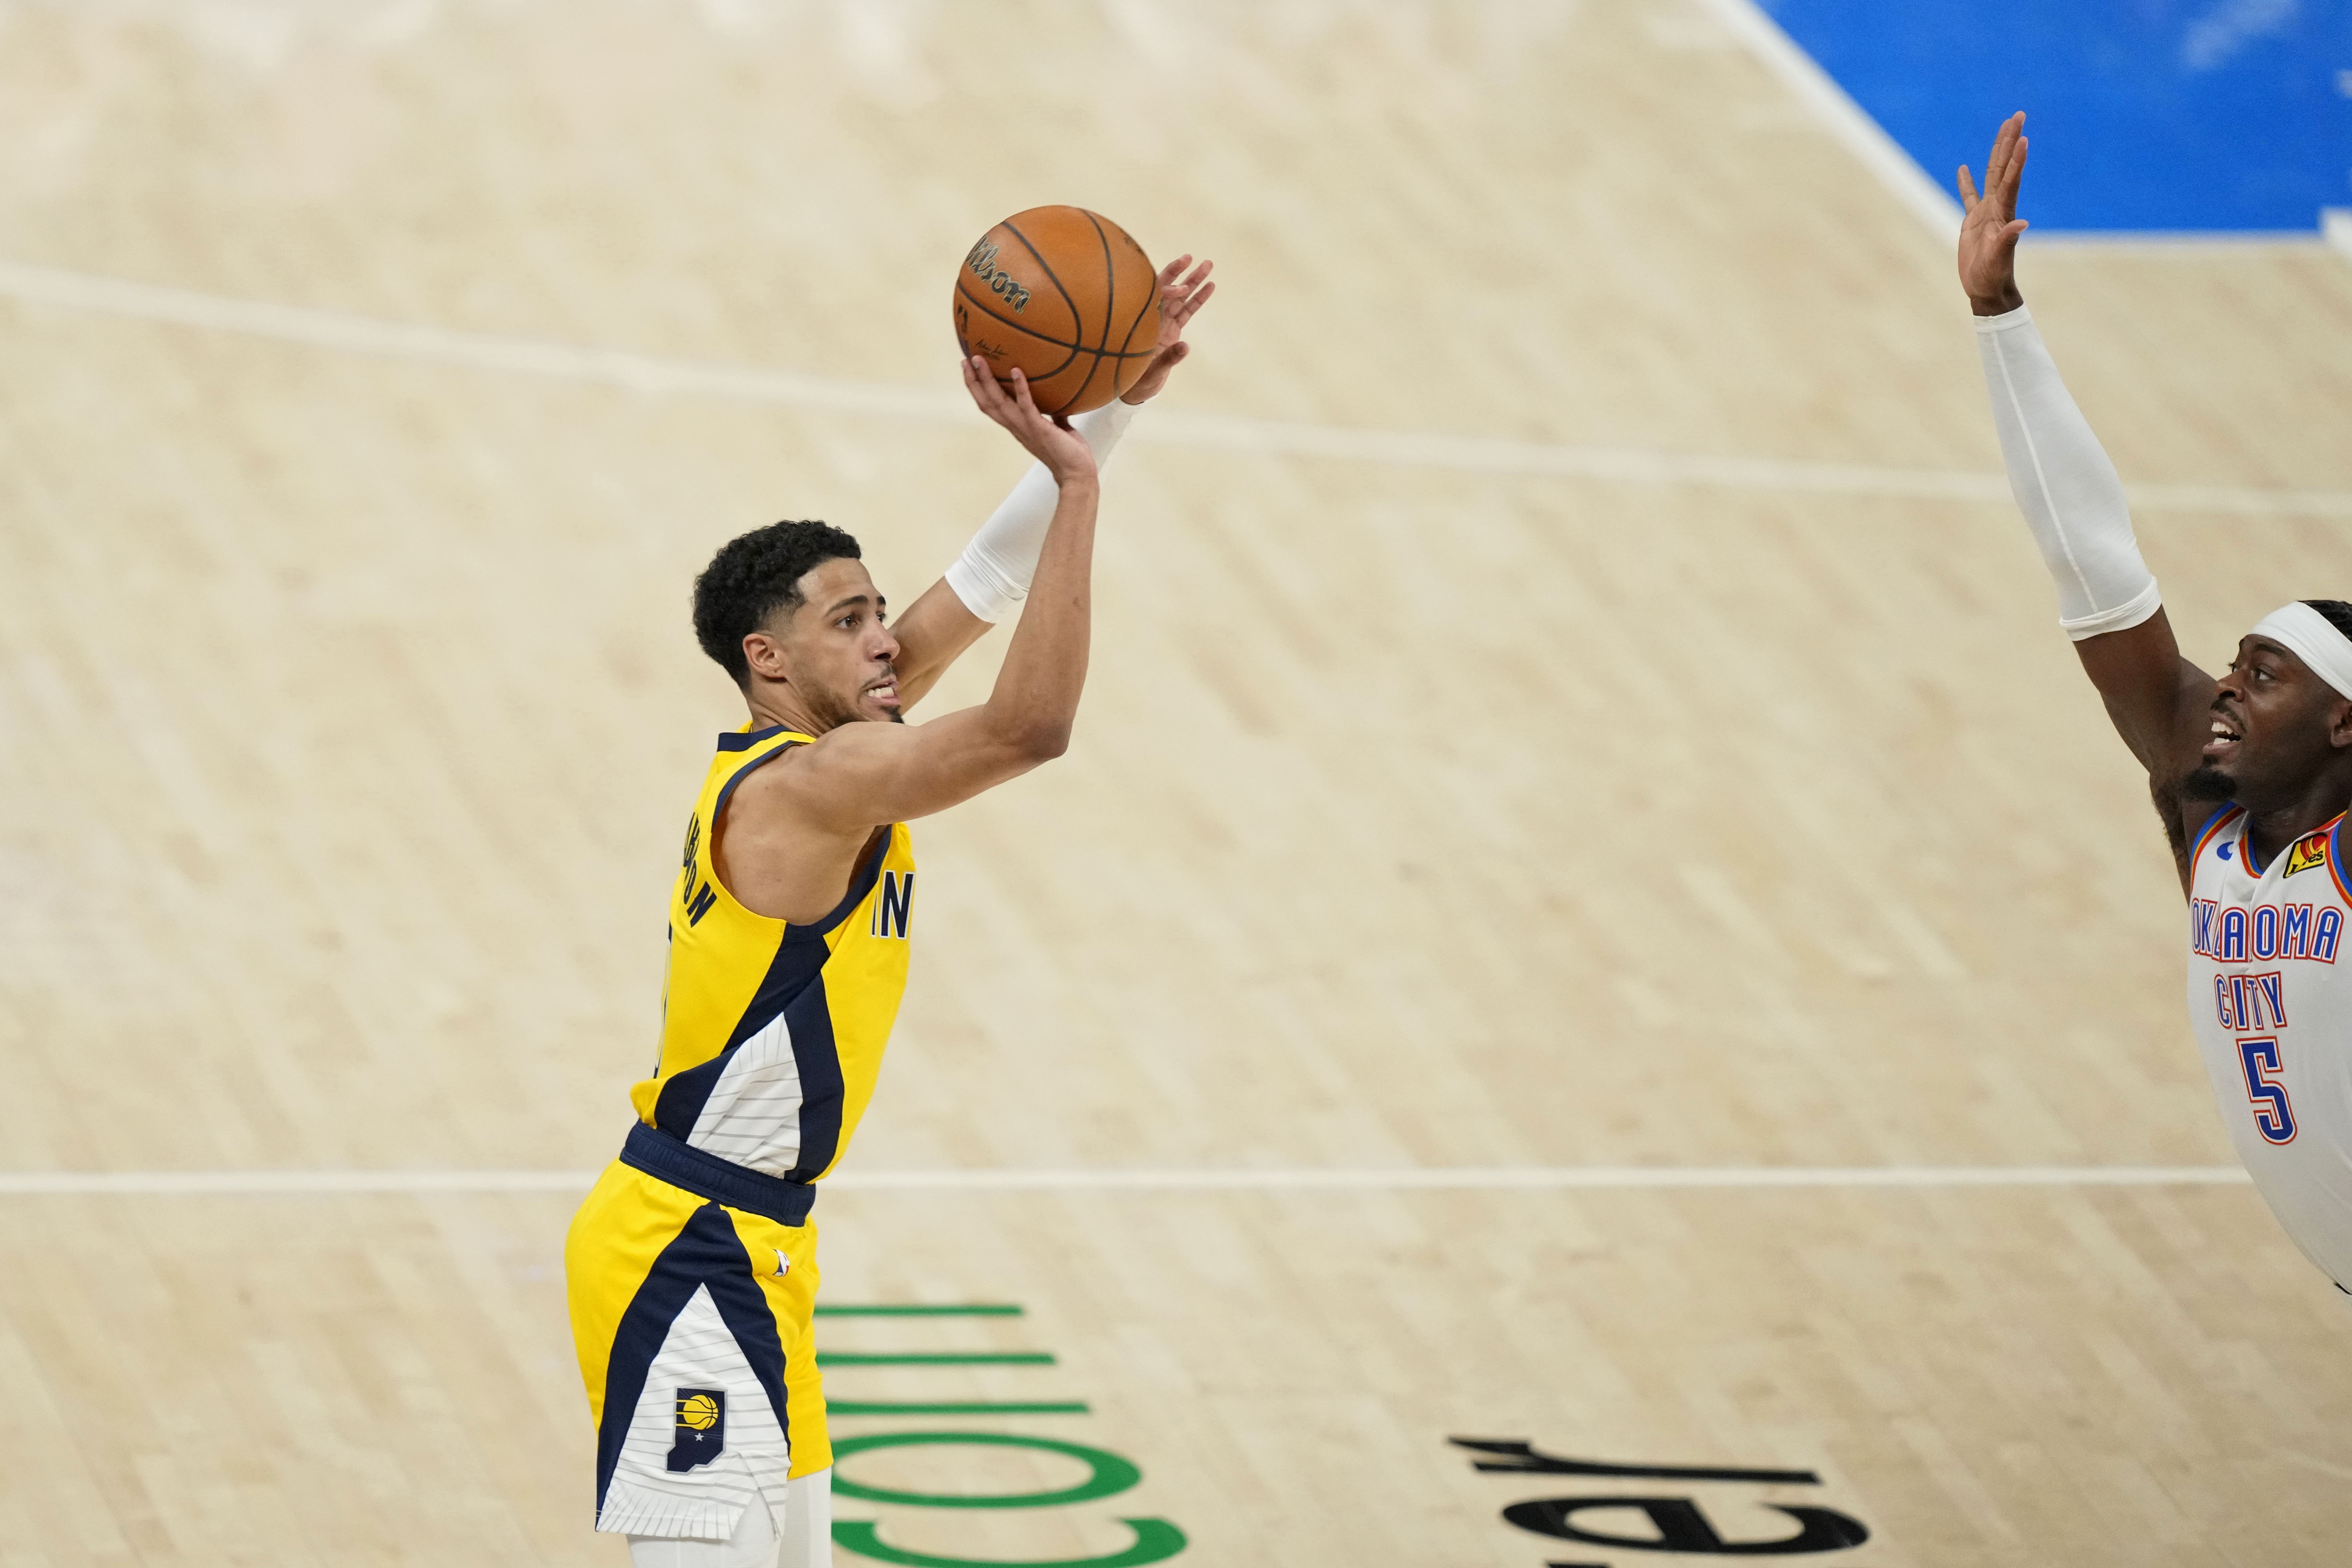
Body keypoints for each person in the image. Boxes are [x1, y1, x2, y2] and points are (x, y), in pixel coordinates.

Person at [564, 255, 1215, 1568]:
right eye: (853, 620)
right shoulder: (817, 783)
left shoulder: (825, 737)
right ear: (769, 659)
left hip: (754, 1245)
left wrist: (1112, 404)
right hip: (687, 1249)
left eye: (880, 615)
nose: (886, 642)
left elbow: (984, 577)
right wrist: (1082, 488)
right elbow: (1030, 728)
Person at [1960, 113, 2352, 1299]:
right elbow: (2093, 568)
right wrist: (1997, 318)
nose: (2224, 686)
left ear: (2344, 723)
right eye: (2232, 664)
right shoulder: (2208, 815)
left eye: (2264, 675)